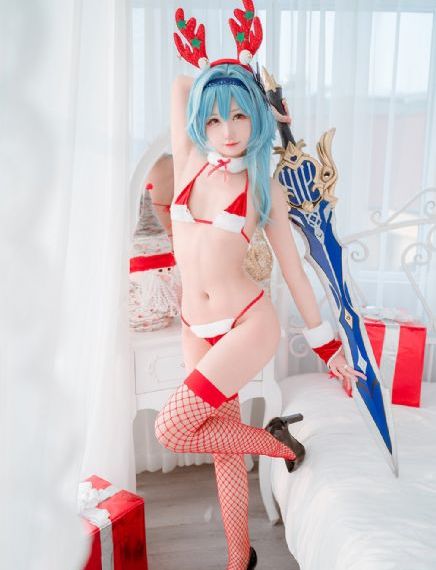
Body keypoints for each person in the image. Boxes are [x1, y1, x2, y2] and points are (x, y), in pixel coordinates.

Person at [154, 4, 365, 569]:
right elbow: (179, 86)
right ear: (201, 122)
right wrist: (229, 72)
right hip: (195, 326)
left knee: (171, 428)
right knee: (221, 448)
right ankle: (238, 558)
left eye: (240, 116)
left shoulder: (264, 186)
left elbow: (295, 272)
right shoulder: (189, 159)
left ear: (257, 118)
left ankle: (275, 444)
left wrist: (328, 347)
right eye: (215, 119)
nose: (227, 131)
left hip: (247, 324)